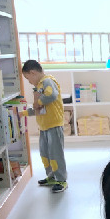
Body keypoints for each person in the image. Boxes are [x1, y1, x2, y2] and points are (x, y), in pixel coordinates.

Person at [21, 59, 68, 193]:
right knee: (45, 154)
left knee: (56, 154)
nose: (29, 82)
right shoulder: (39, 86)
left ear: (33, 73)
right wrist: (23, 113)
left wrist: (39, 101)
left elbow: (52, 95)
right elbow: (38, 109)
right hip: (44, 127)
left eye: (28, 78)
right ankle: (52, 176)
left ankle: (61, 180)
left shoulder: (48, 81)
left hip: (53, 125)